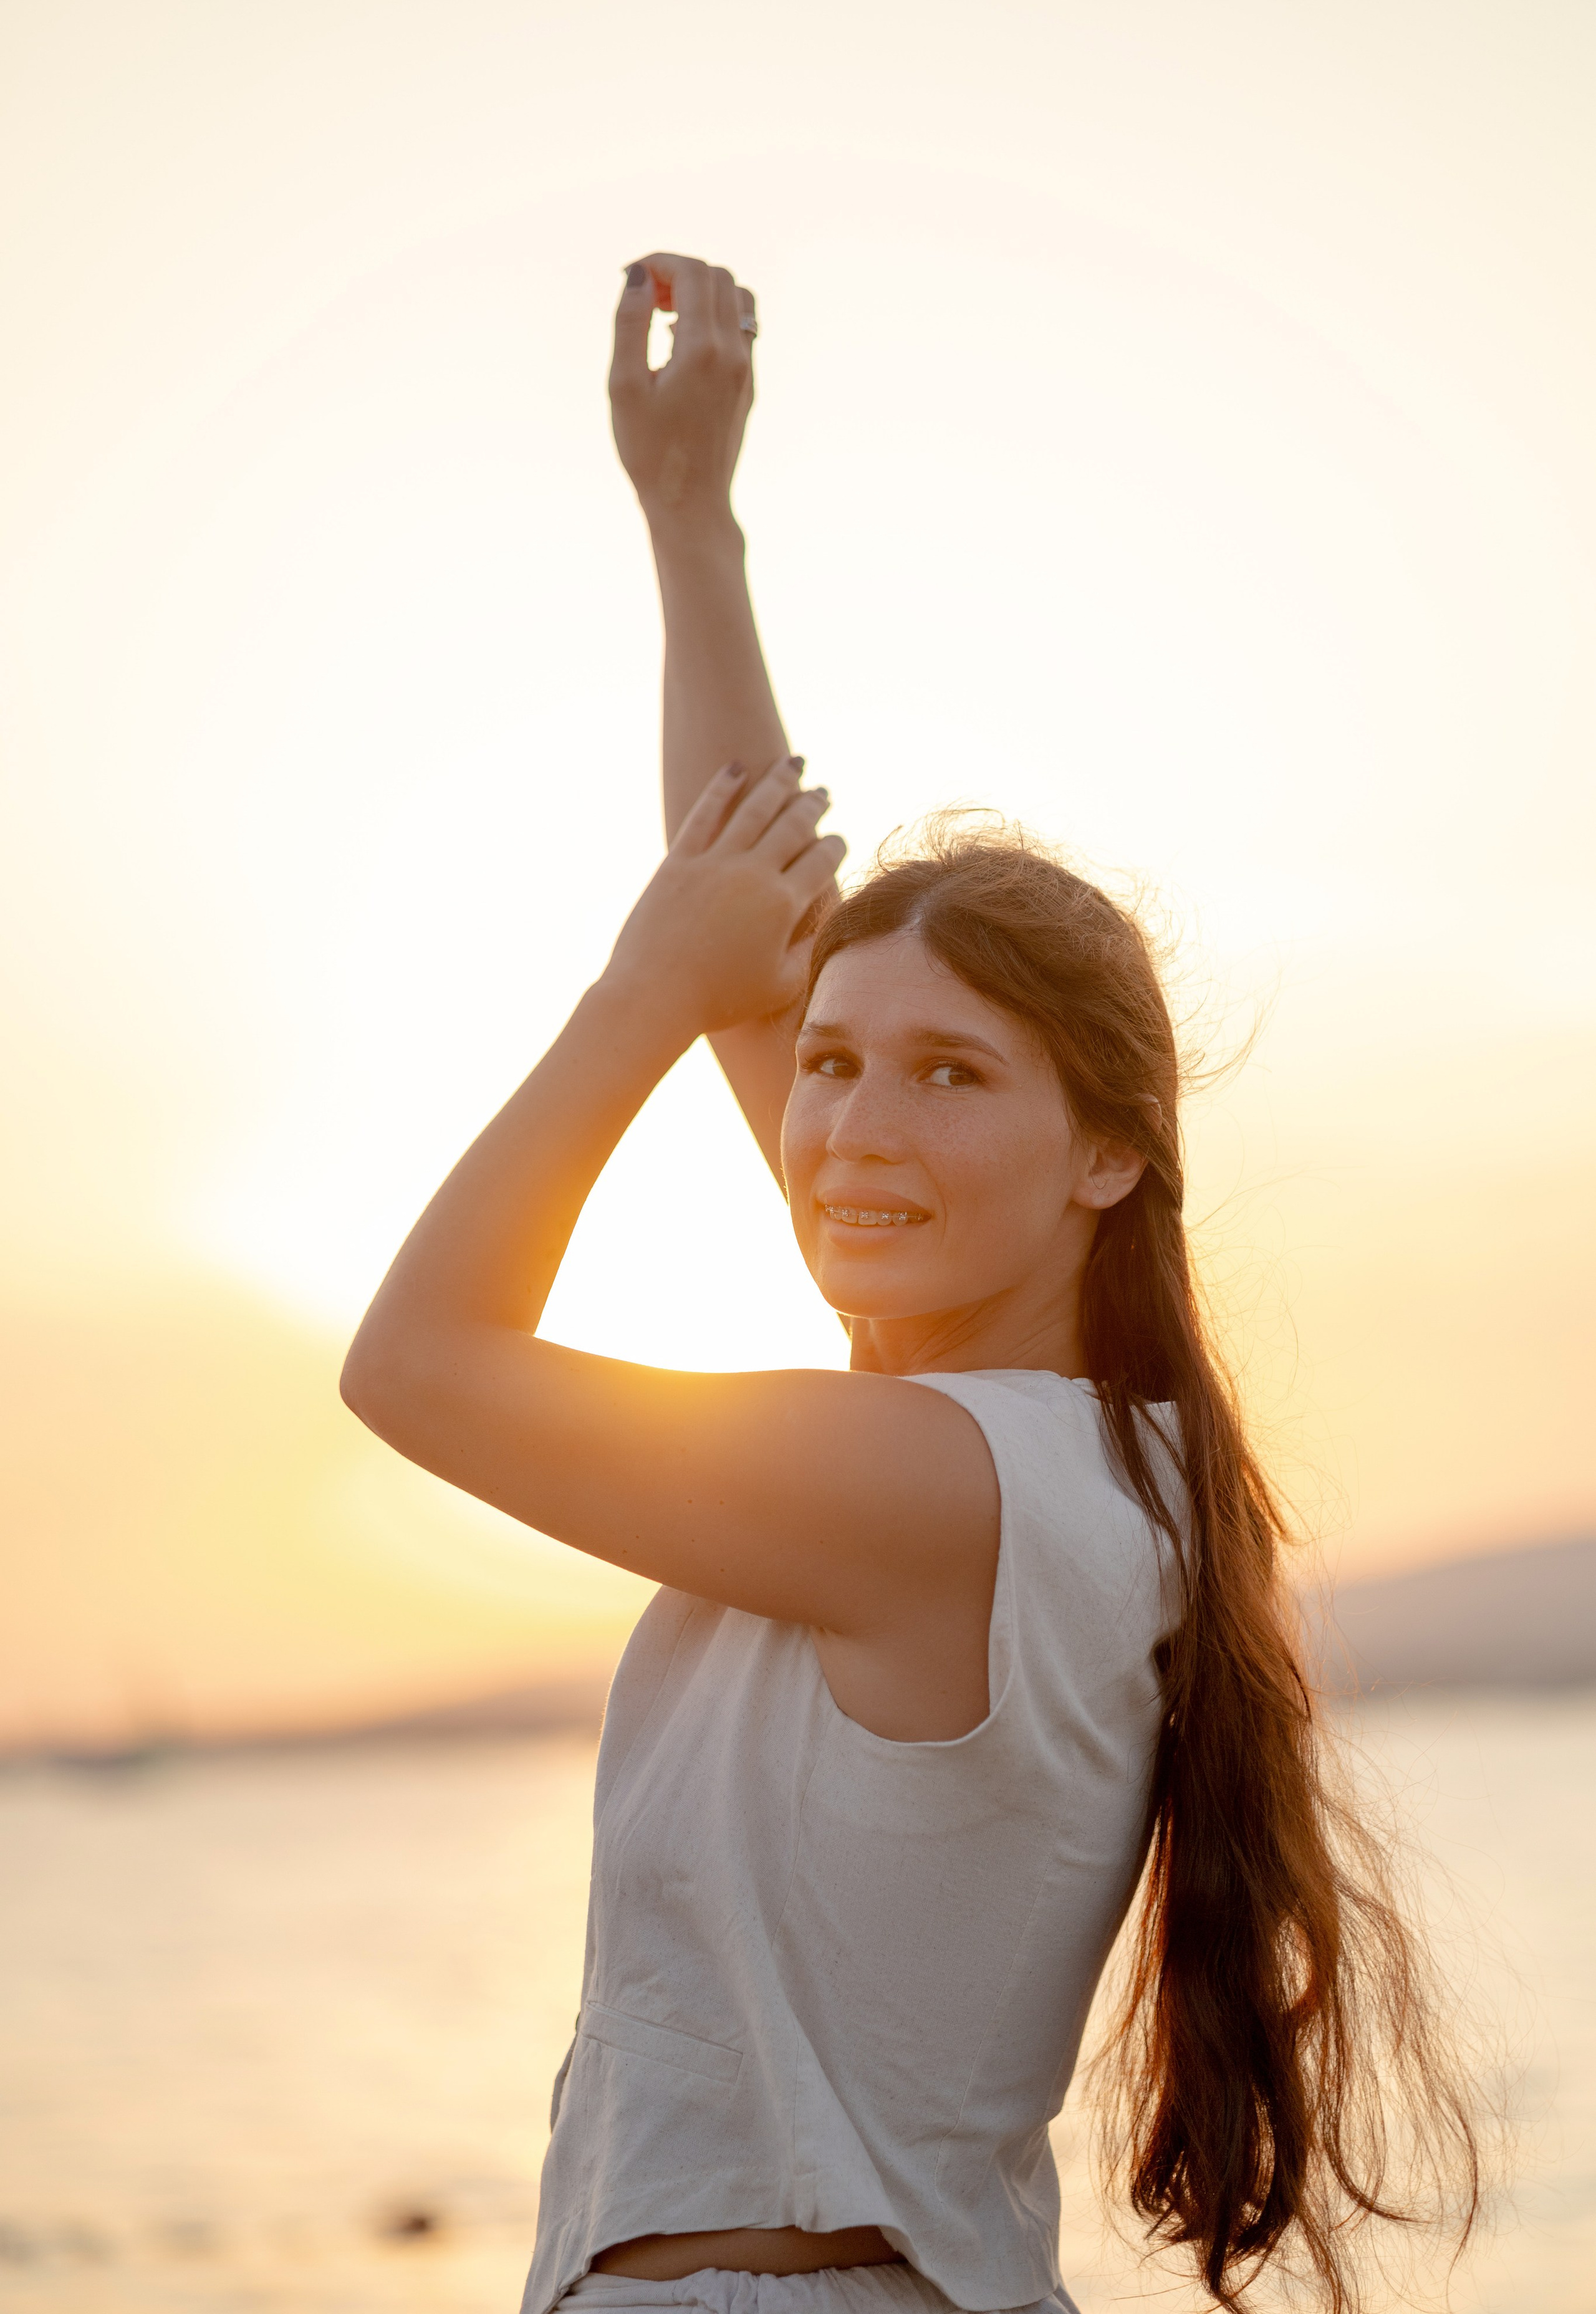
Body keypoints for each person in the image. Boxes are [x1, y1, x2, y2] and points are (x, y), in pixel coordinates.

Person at [342, 254, 1479, 2314]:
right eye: (838, 1066)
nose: (854, 1125)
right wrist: (695, 528)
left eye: (953, 1076)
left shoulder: (931, 1486)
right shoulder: (1076, 1461)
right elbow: (759, 928)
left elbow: (418, 1364)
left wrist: (633, 990)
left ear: (1110, 1156)